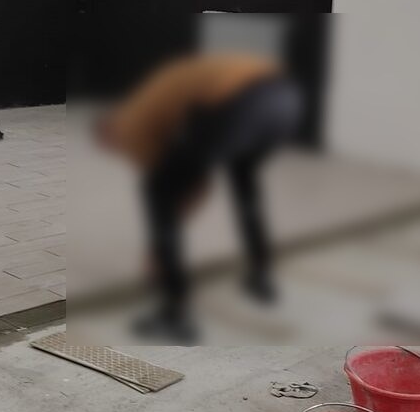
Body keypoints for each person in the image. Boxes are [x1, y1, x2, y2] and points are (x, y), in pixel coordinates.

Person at [96, 53, 303, 342]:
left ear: (111, 131)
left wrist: (160, 247)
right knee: (245, 189)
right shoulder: (161, 95)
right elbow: (196, 181)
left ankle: (174, 316)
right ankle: (261, 278)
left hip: (240, 103)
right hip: (283, 102)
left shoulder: (132, 123)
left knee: (156, 190)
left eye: (111, 147)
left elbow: (182, 187)